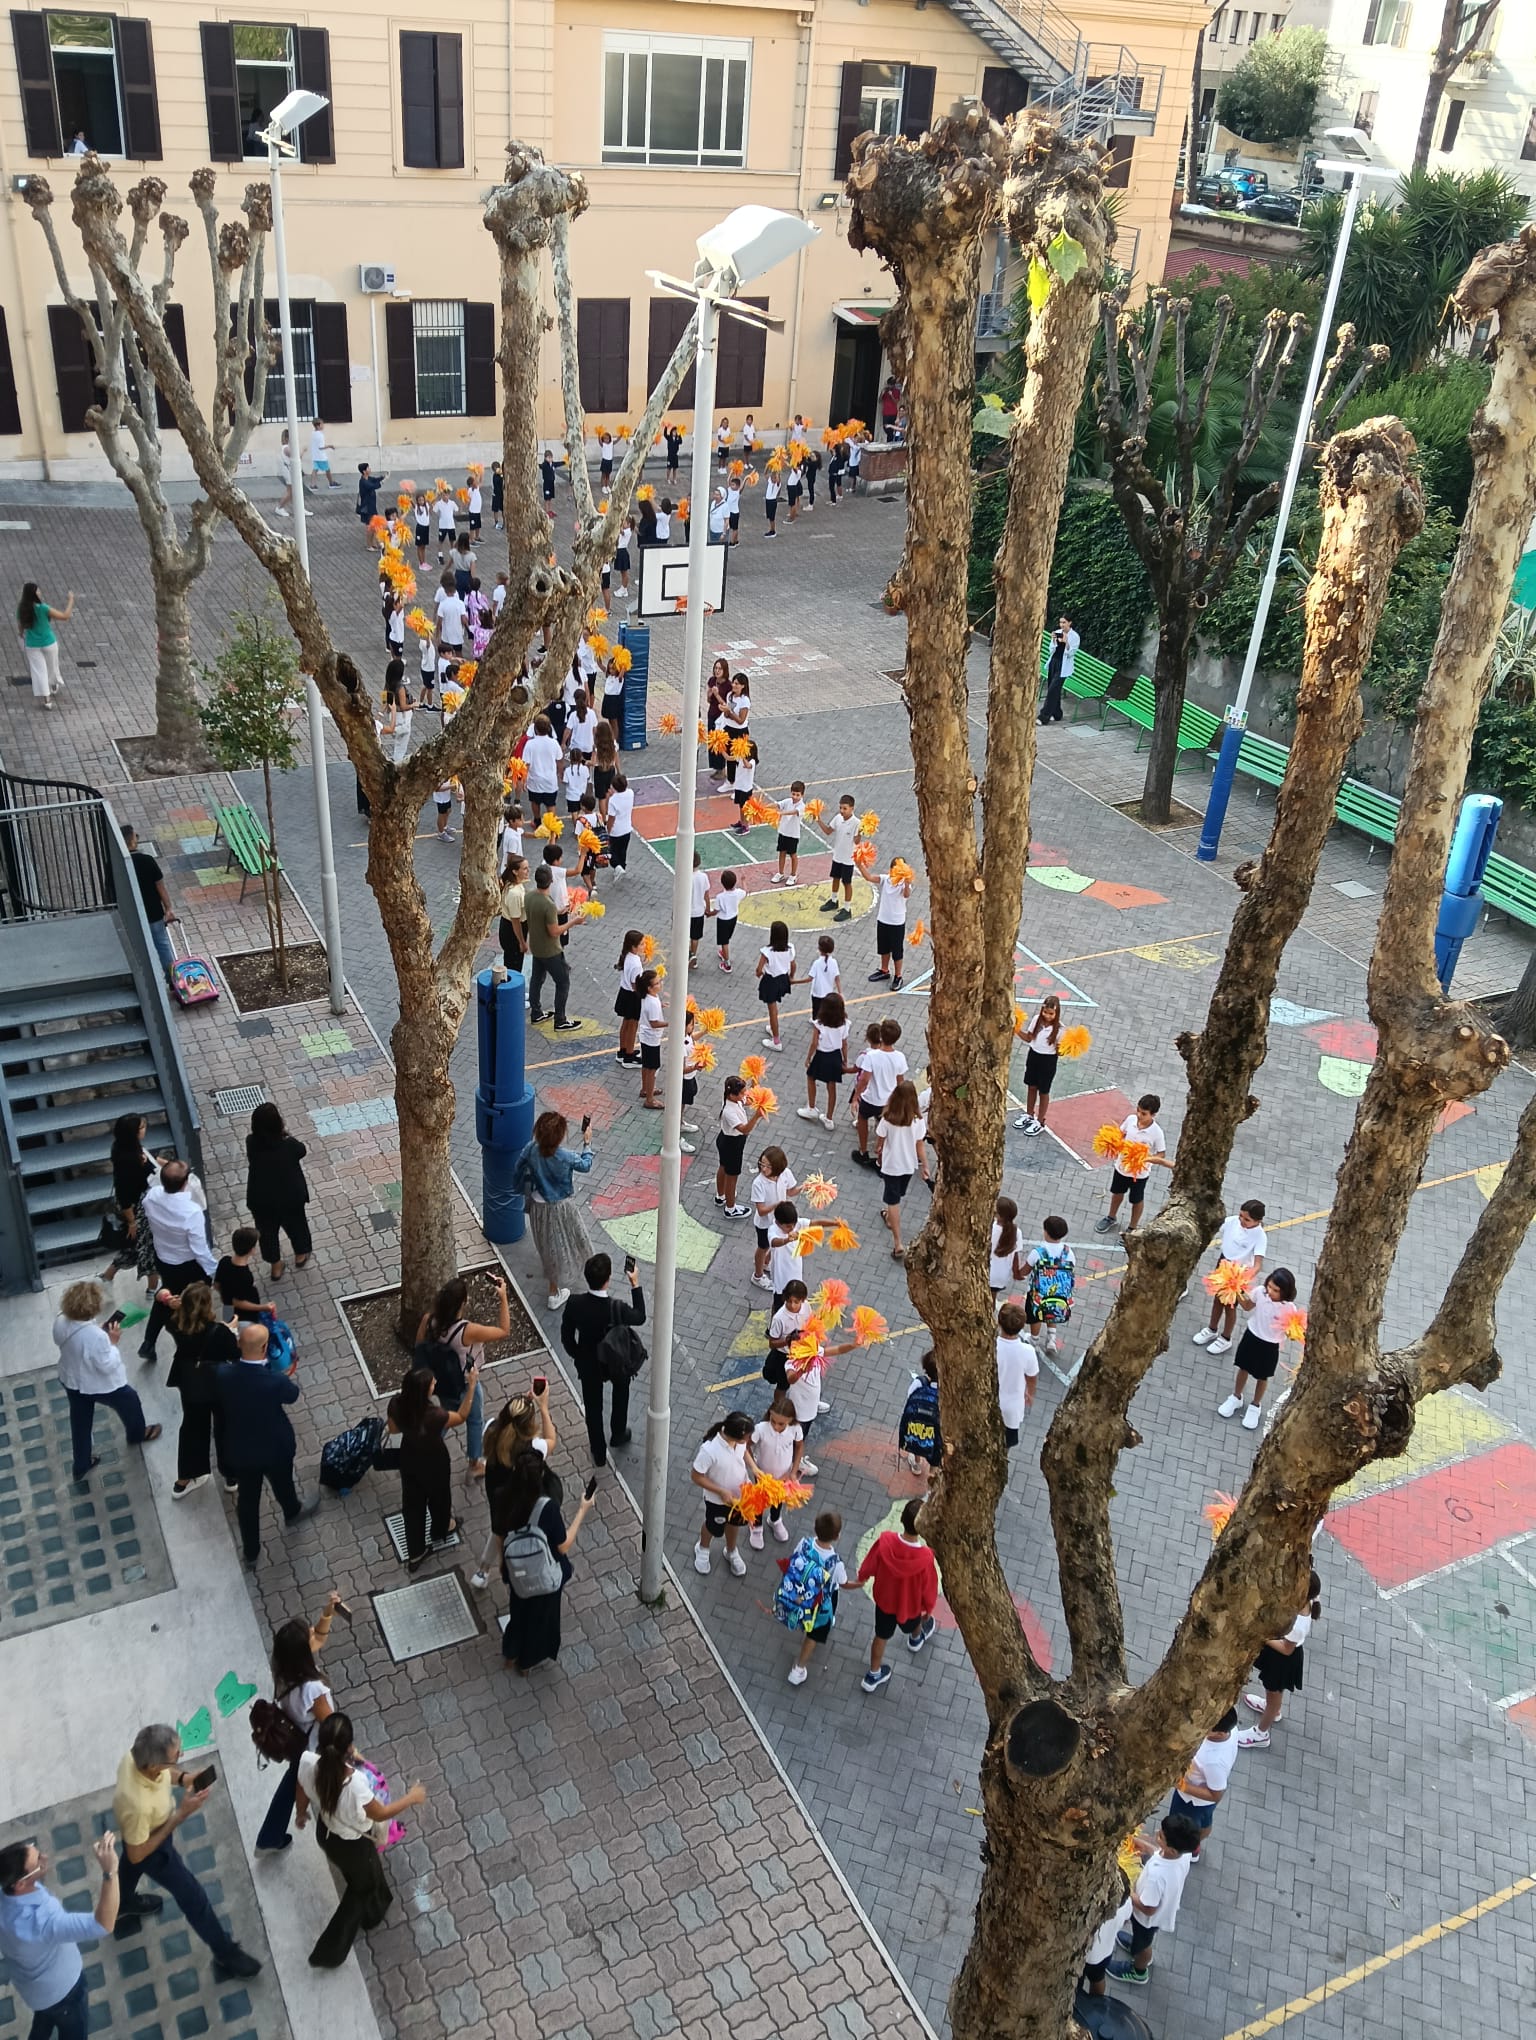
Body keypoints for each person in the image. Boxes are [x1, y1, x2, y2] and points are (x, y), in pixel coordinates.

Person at [114, 1724, 261, 1977]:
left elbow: (163, 1775)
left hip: (140, 1834)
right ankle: (225, 1953)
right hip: (153, 1847)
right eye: (176, 1756)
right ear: (154, 1765)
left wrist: (184, 1778)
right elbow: (138, 1853)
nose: (180, 1756)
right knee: (193, 1897)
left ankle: (122, 1902)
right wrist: (180, 1815)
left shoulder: (134, 1757)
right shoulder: (138, 1806)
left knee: (129, 1863)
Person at [296, 1712, 424, 1967]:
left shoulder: (309, 1762)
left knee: (363, 1876)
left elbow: (300, 1786)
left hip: (326, 1833)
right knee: (362, 1888)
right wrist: (411, 1798)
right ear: (348, 1747)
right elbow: (381, 1813)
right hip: (352, 1846)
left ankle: (376, 1908)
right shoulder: (356, 1785)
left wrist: (301, 1813)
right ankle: (329, 1952)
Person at [0, 1826, 121, 2040]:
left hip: (33, 1989)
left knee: (44, 2020)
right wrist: (110, 1871)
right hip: (64, 1992)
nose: (45, 1858)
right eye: (38, 1862)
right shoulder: (43, 1921)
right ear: (20, 1884)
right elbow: (103, 1925)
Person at [213, 1320, 316, 1566]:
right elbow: (292, 1395)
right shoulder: (274, 1381)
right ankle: (292, 1511)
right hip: (275, 1447)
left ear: (239, 1344)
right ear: (264, 1348)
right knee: (283, 1482)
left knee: (248, 1501)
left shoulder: (223, 1374)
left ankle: (251, 1552)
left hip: (243, 1450)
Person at [254, 1590, 344, 1852]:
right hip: (312, 1747)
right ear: (303, 1653)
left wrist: (328, 1611)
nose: (314, 1633)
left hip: (296, 1739)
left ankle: (269, 1838)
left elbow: (319, 1637)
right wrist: (350, 1749)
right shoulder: (314, 1690)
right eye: (309, 1635)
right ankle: (277, 1834)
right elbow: (331, 1725)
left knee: (293, 1781)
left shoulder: (285, 1669)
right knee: (309, 1783)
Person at [495, 1445, 595, 1673]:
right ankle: (526, 1662)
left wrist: (504, 1564)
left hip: (515, 1568)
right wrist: (582, 1510)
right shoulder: (547, 1508)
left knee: (518, 1610)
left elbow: (499, 1535)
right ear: (540, 1476)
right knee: (540, 1619)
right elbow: (563, 1545)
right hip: (543, 1572)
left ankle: (511, 1651)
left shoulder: (502, 1496)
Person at [53, 1280, 161, 1482]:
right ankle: (137, 1434)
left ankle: (81, 1464)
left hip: (71, 1379)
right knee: (130, 1400)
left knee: (80, 1422)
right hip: (97, 1385)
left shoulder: (60, 1320)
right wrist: (112, 1342)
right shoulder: (97, 1337)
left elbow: (68, 1340)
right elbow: (107, 1364)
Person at [386, 1360, 480, 1569]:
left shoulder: (396, 1405)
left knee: (412, 1506)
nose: (435, 1382)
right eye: (431, 1383)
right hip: (434, 1461)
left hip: (409, 1459)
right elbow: (462, 1416)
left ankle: (416, 1554)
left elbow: (393, 1429)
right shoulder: (435, 1416)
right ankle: (441, 1528)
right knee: (439, 1498)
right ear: (423, 1392)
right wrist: (472, 1385)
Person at [416, 1271, 510, 1477]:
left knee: (445, 1413)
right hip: (466, 1384)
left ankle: (425, 1448)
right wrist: (503, 1297)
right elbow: (504, 1330)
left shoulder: (428, 1320)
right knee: (474, 1420)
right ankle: (474, 1465)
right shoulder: (467, 1331)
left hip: (440, 1382)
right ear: (463, 1304)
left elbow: (419, 1347)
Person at [561, 1251, 645, 1466]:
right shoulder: (617, 1308)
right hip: (615, 1361)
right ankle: (618, 1432)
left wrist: (577, 1354)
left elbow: (566, 1337)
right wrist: (635, 1283)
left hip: (589, 1364)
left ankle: (598, 1452)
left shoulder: (574, 1303)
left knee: (593, 1407)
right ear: (608, 1279)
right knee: (622, 1388)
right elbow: (640, 1316)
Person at [471, 1387, 558, 1588]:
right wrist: (543, 1408)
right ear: (529, 1425)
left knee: (499, 1528)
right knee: (515, 1537)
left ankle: (484, 1570)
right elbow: (552, 1440)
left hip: (496, 1494)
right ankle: (512, 1576)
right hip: (521, 1498)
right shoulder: (534, 1448)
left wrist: (522, 1406)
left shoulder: (491, 1429)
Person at [1106, 1814, 1202, 1987]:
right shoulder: (1182, 1855)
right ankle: (1137, 1946)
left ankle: (1139, 1970)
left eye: (1161, 1836)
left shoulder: (1157, 1877)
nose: (1156, 1833)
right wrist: (1143, 1846)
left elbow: (1148, 1908)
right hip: (1159, 1912)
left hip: (1145, 1920)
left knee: (1143, 1944)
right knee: (1142, 1939)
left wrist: (1126, 1891)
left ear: (1172, 1850)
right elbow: (1158, 1853)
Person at [512, 1109, 594, 1310]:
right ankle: (556, 1292)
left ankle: (555, 1287)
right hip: (562, 1207)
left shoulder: (531, 1149)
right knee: (577, 1238)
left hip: (538, 1207)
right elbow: (585, 1165)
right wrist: (587, 1143)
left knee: (548, 1246)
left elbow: (518, 1169)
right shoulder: (565, 1156)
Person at [857, 1497, 939, 1692]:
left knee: (881, 1635)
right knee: (914, 1624)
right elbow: (929, 1587)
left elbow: (869, 1564)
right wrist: (928, 1608)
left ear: (901, 1518)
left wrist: (862, 1577)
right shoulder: (926, 1557)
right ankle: (915, 1639)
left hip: (885, 1602)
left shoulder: (885, 1541)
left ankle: (873, 1674)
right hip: (909, 1607)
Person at [165, 1282, 238, 1497]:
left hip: (191, 1384)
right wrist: (231, 1330)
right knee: (225, 1428)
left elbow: (168, 1316)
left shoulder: (175, 1324)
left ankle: (185, 1479)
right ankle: (231, 1476)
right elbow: (234, 1355)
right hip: (218, 1386)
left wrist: (170, 1303)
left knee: (192, 1428)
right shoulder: (219, 1332)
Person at [137, 1159, 216, 1359]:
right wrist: (214, 1270)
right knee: (194, 1300)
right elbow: (199, 1249)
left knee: (166, 1295)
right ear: (185, 1183)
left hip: (163, 1258)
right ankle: (201, 1339)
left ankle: (149, 1341)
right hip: (187, 1264)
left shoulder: (151, 1197)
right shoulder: (191, 1212)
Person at [1238, 1568, 1322, 1748]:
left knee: (1274, 1692)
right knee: (1272, 1691)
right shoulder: (1306, 1601)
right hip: (1278, 1655)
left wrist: (1262, 1637)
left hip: (1282, 1660)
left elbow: (1286, 1649)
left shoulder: (1298, 1624)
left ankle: (1261, 1733)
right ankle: (1272, 1709)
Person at [1217, 1267, 1298, 1430]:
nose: (1270, 1291)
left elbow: (1292, 1332)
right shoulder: (1260, 1292)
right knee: (1243, 1368)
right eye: (1270, 1286)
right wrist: (1236, 1289)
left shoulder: (1289, 1308)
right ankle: (1236, 1397)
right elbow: (1247, 1306)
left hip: (1270, 1345)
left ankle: (1255, 1405)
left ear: (1285, 1292)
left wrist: (1293, 1332)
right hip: (1252, 1335)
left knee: (1262, 1376)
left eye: (1276, 1290)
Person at [776, 1509, 847, 1686]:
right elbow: (842, 1582)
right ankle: (798, 1669)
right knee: (814, 1635)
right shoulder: (836, 1563)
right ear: (837, 1536)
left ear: (815, 1529)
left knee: (804, 1616)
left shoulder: (804, 1543)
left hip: (800, 1596)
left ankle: (800, 1622)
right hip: (820, 1606)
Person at [245, 1101, 312, 1278]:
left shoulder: (251, 1143)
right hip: (290, 1196)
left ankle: (275, 1265)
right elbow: (302, 1151)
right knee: (297, 1225)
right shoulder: (289, 1145)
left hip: (262, 1199)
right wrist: (285, 1135)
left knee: (267, 1233)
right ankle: (300, 1254)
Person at [1193, 1199, 1268, 1355]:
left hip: (1238, 1274)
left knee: (1230, 1306)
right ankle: (1212, 1329)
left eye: (1247, 1219)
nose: (1242, 1220)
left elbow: (1257, 1265)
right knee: (1217, 1300)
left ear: (1258, 1221)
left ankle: (1226, 1338)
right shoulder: (1233, 1221)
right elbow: (1214, 1226)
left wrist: (1243, 1279)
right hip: (1223, 1265)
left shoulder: (1260, 1236)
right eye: (1241, 1216)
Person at [1094, 1093, 1171, 1235]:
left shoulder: (1157, 1133)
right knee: (1117, 1193)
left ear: (1153, 1115)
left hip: (1140, 1174)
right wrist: (1112, 1141)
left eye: (1144, 1113)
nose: (1139, 1115)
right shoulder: (1131, 1120)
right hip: (1121, 1168)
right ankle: (1111, 1217)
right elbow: (1120, 1133)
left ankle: (1132, 1228)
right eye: (1138, 1111)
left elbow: (1161, 1154)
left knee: (1136, 1200)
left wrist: (1145, 1159)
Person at [1169, 1706, 1239, 1860]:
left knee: (1179, 1829)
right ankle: (1194, 1847)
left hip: (1191, 1801)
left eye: (1208, 1726)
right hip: (1201, 1803)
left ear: (1220, 1733)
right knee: (1205, 1821)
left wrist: (1182, 1785)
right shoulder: (1231, 1730)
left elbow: (1216, 1795)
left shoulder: (1214, 1762)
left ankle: (1184, 1851)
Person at [692, 1411, 757, 1575]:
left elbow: (744, 1451)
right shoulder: (709, 1450)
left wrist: (754, 1468)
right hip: (717, 1501)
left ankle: (731, 1550)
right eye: (746, 1437)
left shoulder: (739, 1442)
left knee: (734, 1524)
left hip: (741, 1497)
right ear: (736, 1435)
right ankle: (702, 1548)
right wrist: (720, 1491)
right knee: (712, 1526)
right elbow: (696, 1476)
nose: (748, 1440)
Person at [100, 1110, 161, 1282]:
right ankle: (152, 1289)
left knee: (134, 1248)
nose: (145, 1128)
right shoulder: (129, 1161)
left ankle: (107, 1276)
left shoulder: (126, 1147)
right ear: (133, 1133)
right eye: (142, 1127)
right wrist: (132, 1222)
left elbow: (151, 1160)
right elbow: (124, 1195)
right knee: (147, 1250)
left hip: (141, 1207)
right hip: (138, 1211)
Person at [875, 1078, 929, 1260]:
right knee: (897, 1196)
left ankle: (898, 1242)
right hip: (908, 1166)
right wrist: (925, 1166)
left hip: (891, 1166)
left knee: (894, 1202)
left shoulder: (887, 1119)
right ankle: (889, 1216)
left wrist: (878, 1152)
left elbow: (880, 1142)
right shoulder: (917, 1121)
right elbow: (920, 1146)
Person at [523, 865, 579, 1029]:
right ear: (552, 881)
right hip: (551, 951)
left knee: (537, 979)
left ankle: (536, 1013)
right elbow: (554, 932)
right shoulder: (548, 904)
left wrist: (558, 912)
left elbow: (539, 917)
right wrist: (573, 922)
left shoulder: (529, 896)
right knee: (563, 982)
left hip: (536, 946)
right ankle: (560, 1020)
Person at [747, 1394, 805, 1548]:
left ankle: (774, 1520)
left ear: (790, 1420)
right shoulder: (760, 1429)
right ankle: (756, 1526)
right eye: (773, 1421)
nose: (776, 1426)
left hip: (784, 1474)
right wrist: (754, 1467)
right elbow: (746, 1446)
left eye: (781, 1424)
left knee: (778, 1499)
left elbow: (799, 1446)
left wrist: (793, 1472)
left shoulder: (795, 1429)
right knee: (759, 1500)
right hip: (763, 1474)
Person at [120, 823, 178, 978]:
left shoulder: (116, 865)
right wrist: (168, 908)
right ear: (132, 841)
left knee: (137, 948)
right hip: (153, 912)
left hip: (130, 915)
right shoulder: (147, 860)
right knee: (162, 944)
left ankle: (144, 977)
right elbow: (160, 887)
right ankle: (172, 978)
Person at [851, 1017, 908, 1169]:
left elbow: (864, 1080)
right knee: (884, 1128)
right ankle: (881, 1159)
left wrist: (856, 1097)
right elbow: (900, 1082)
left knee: (862, 1119)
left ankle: (863, 1151)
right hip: (888, 1101)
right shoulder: (900, 1057)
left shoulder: (872, 1056)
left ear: (881, 1036)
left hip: (871, 1099)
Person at [1023, 1215, 1076, 1356]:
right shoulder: (1068, 1252)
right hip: (1060, 1293)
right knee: (1053, 1310)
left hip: (1037, 1294)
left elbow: (1025, 1271)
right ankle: (1051, 1339)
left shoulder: (1038, 1253)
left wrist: (1017, 1272)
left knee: (1035, 1315)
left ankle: (1034, 1340)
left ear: (1046, 1232)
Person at [715, 1073, 766, 1218]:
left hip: (725, 1140)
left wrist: (755, 1082)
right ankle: (730, 1208)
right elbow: (744, 1130)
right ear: (732, 1095)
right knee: (732, 1176)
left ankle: (720, 1196)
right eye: (742, 1092)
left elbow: (749, 1100)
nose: (745, 1094)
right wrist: (756, 1116)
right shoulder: (729, 1112)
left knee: (723, 1167)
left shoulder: (732, 1099)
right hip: (732, 1145)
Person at [16, 581, 73, 708]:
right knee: (52, 666)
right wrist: (71, 600)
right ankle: (53, 684)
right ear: (34, 594)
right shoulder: (43, 608)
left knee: (39, 671)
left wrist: (21, 634)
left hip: (32, 645)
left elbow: (20, 626)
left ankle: (47, 700)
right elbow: (65, 616)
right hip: (49, 643)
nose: (40, 592)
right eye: (37, 590)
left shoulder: (21, 609)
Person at [1013, 993, 1063, 1136]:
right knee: (1031, 1086)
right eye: (1045, 1012)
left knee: (1043, 1092)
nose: (1047, 1016)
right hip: (1033, 1056)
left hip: (1048, 1061)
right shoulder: (1036, 1020)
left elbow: (1060, 1052)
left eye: (1051, 1013)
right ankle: (1029, 1115)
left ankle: (1040, 1122)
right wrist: (1016, 1029)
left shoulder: (1060, 1030)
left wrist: (1064, 1048)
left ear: (1056, 1013)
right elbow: (1029, 1038)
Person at [749, 1145, 798, 1291]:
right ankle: (758, 1276)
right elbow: (761, 1211)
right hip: (764, 1224)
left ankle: (766, 1263)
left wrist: (805, 1187)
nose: (763, 1169)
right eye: (762, 1164)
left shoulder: (785, 1174)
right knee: (763, 1247)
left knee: (774, 1244)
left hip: (778, 1221)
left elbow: (791, 1191)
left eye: (768, 1166)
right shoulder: (758, 1183)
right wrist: (777, 1204)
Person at [996, 1302, 1038, 1447]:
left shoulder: (992, 1346)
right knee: (1006, 1444)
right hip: (1012, 1409)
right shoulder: (1028, 1351)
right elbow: (1032, 1377)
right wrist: (1030, 1393)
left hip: (989, 1403)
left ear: (999, 1322)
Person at [815, 793, 860, 921]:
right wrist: (818, 820)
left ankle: (847, 909)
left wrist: (861, 832)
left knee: (847, 883)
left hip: (848, 859)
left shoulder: (857, 823)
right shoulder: (838, 818)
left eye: (845, 808)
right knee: (835, 878)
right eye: (840, 808)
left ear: (852, 808)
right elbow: (828, 831)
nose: (842, 811)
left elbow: (857, 841)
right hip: (837, 856)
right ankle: (834, 901)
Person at [756, 919, 795, 1054]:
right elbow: (793, 965)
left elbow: (759, 969)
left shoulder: (767, 951)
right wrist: (791, 977)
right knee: (774, 1009)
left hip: (770, 982)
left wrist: (760, 974)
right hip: (783, 979)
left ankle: (776, 1041)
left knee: (772, 1010)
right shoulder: (789, 948)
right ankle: (774, 1029)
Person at [1040, 614, 1080, 724]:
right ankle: (1057, 713)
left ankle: (1043, 716)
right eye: (1060, 622)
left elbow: (1071, 653)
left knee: (1052, 690)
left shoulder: (1074, 636)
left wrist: (1066, 642)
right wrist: (1053, 640)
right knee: (1053, 689)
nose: (1062, 625)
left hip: (1064, 666)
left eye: (1064, 622)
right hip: (1054, 662)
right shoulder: (1058, 632)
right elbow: (1051, 650)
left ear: (1069, 623)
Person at [772, 780, 806, 887]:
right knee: (781, 852)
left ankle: (793, 875)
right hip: (783, 832)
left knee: (793, 855)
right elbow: (777, 805)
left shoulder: (802, 806)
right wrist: (763, 807)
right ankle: (780, 873)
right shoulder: (787, 801)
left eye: (797, 795)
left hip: (793, 834)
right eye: (793, 794)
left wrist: (781, 813)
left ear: (802, 795)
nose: (795, 797)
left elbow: (794, 812)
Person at [309, 417, 338, 488]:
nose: (323, 425)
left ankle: (312, 484)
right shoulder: (320, 435)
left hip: (315, 455)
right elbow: (321, 447)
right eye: (322, 424)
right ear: (318, 425)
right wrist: (329, 446)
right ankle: (331, 483)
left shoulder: (313, 433)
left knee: (315, 469)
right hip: (321, 457)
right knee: (327, 469)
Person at [880, 375, 901, 440]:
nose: (889, 386)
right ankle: (889, 438)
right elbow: (880, 400)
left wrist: (891, 395)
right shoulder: (885, 391)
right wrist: (883, 392)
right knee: (885, 428)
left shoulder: (896, 391)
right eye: (889, 385)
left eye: (891, 385)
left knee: (891, 429)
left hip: (893, 413)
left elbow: (896, 402)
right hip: (886, 413)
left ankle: (890, 440)